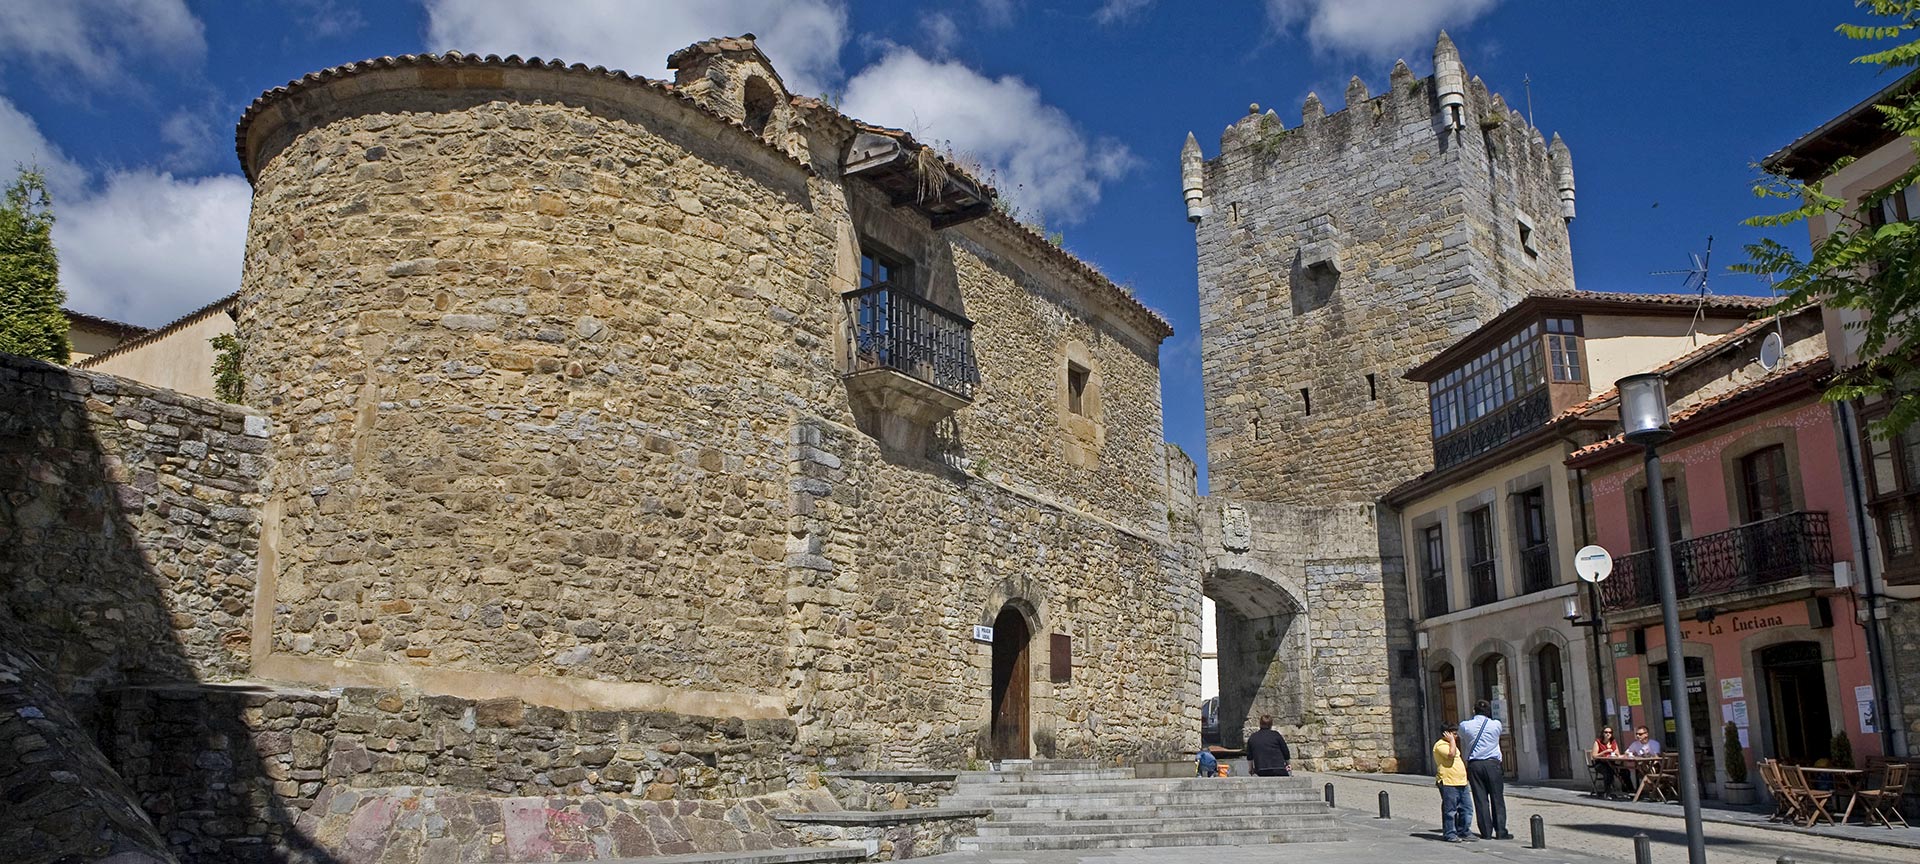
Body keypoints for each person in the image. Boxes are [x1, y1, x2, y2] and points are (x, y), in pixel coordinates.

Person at [1459, 699, 1511, 840]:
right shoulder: (1496, 725)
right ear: (1488, 711)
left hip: (1475, 765)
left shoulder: (1465, 725)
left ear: (1474, 710)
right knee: (1497, 798)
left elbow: (1462, 737)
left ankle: (1486, 832)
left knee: (1480, 799)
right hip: (1492, 764)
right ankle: (1501, 831)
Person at [1433, 724, 1474, 843]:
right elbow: (1450, 755)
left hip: (1461, 781)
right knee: (1450, 810)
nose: (1456, 736)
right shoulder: (1440, 745)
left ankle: (1464, 830)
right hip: (1448, 781)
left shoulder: (1452, 744)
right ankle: (1450, 833)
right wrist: (1451, 741)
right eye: (1453, 733)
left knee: (1466, 808)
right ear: (1446, 733)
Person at [1589, 726, 1624, 798]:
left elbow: (1617, 753)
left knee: (1624, 771)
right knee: (1608, 772)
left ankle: (1628, 791)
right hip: (1600, 764)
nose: (1608, 734)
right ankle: (1607, 793)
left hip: (1611, 763)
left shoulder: (1613, 742)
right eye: (1606, 732)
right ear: (1602, 733)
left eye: (1610, 732)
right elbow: (1594, 756)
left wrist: (1617, 755)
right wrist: (1605, 751)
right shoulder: (1598, 742)